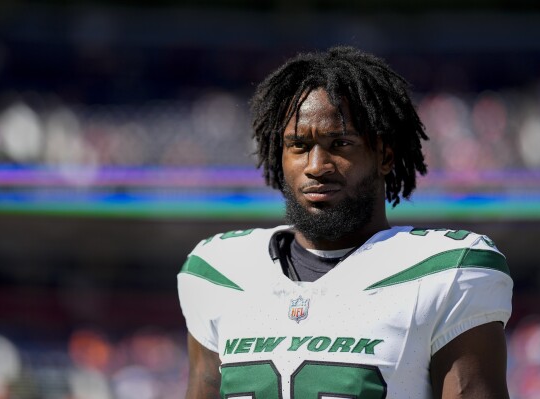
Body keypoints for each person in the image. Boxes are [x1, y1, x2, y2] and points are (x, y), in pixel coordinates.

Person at [177, 46, 513, 398]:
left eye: (339, 143)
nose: (316, 165)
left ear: (384, 156)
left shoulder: (447, 272)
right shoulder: (217, 272)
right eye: (299, 145)